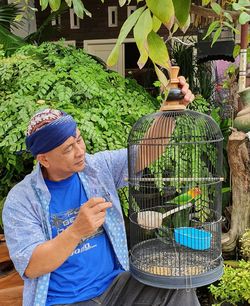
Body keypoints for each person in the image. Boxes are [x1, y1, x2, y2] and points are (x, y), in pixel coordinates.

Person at [3, 78, 200, 306]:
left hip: (115, 287)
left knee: (177, 287)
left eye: (79, 140)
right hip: (65, 300)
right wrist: (76, 230)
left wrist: (169, 112)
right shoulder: (22, 200)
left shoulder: (97, 168)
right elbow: (32, 265)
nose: (80, 151)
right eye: (68, 148)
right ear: (44, 159)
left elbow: (145, 152)